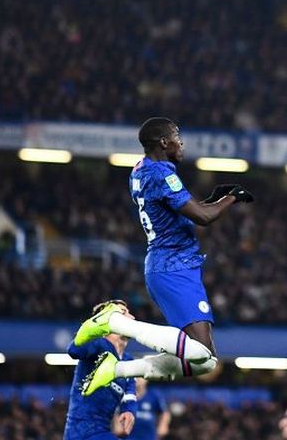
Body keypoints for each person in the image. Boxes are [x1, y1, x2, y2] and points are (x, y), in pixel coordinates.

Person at [75, 117, 254, 395]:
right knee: (200, 351)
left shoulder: (140, 170)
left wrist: (213, 200)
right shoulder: (161, 174)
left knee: (205, 362)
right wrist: (232, 197)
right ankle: (114, 322)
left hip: (170, 265)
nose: (181, 143)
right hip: (174, 267)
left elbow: (178, 212)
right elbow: (203, 217)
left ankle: (117, 369)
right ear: (163, 142)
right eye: (176, 136)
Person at [63, 300, 137, 440]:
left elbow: (130, 392)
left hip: (102, 431)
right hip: (82, 432)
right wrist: (93, 327)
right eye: (123, 313)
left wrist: (129, 410)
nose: (131, 317)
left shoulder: (128, 360)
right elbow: (74, 350)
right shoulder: (98, 344)